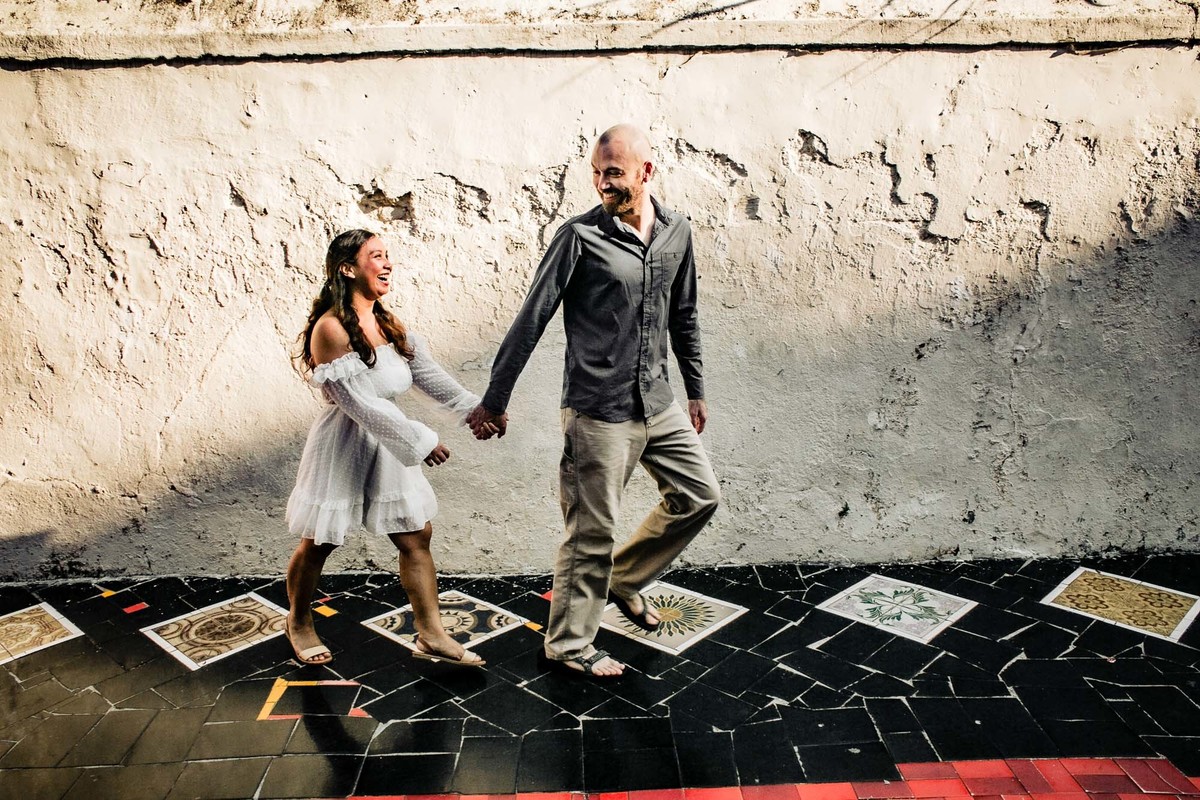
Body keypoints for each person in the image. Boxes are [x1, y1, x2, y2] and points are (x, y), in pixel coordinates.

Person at [467, 124, 721, 678]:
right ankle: (568, 644)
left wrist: (695, 388)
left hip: (657, 400)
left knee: (699, 496)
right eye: (597, 173)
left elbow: (685, 315)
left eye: (615, 173)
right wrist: (495, 399)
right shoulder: (579, 237)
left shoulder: (678, 232)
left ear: (645, 173)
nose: (603, 183)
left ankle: (623, 581)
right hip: (597, 408)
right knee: (591, 531)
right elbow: (532, 318)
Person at [284, 229, 501, 667]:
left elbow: (429, 376)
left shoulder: (387, 323)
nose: (387, 264)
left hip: (390, 444)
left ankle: (431, 634)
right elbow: (361, 407)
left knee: (416, 534)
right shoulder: (328, 329)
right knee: (320, 541)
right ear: (347, 269)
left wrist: (478, 410)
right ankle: (299, 621)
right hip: (344, 443)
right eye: (376, 256)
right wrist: (420, 441)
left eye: (388, 256)